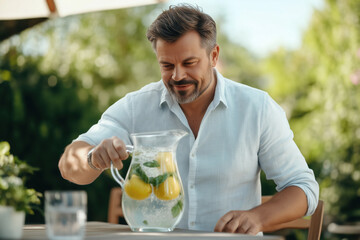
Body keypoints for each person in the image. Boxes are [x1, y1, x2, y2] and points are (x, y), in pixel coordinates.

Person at [58, 4, 319, 235]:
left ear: (213, 56)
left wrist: (257, 217)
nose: (178, 76)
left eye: (189, 62)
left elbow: (303, 188)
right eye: (167, 66)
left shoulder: (257, 108)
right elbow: (69, 164)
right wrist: (93, 157)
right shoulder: (137, 106)